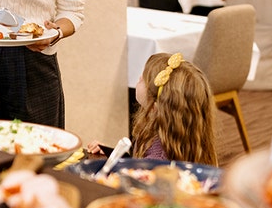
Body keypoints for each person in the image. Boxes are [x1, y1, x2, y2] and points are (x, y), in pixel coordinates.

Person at [87, 53, 218, 165]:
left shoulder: (157, 160)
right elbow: (137, 163)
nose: (139, 78)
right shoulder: (173, 131)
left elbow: (138, 179)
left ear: (155, 106)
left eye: (143, 80)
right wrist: (115, 156)